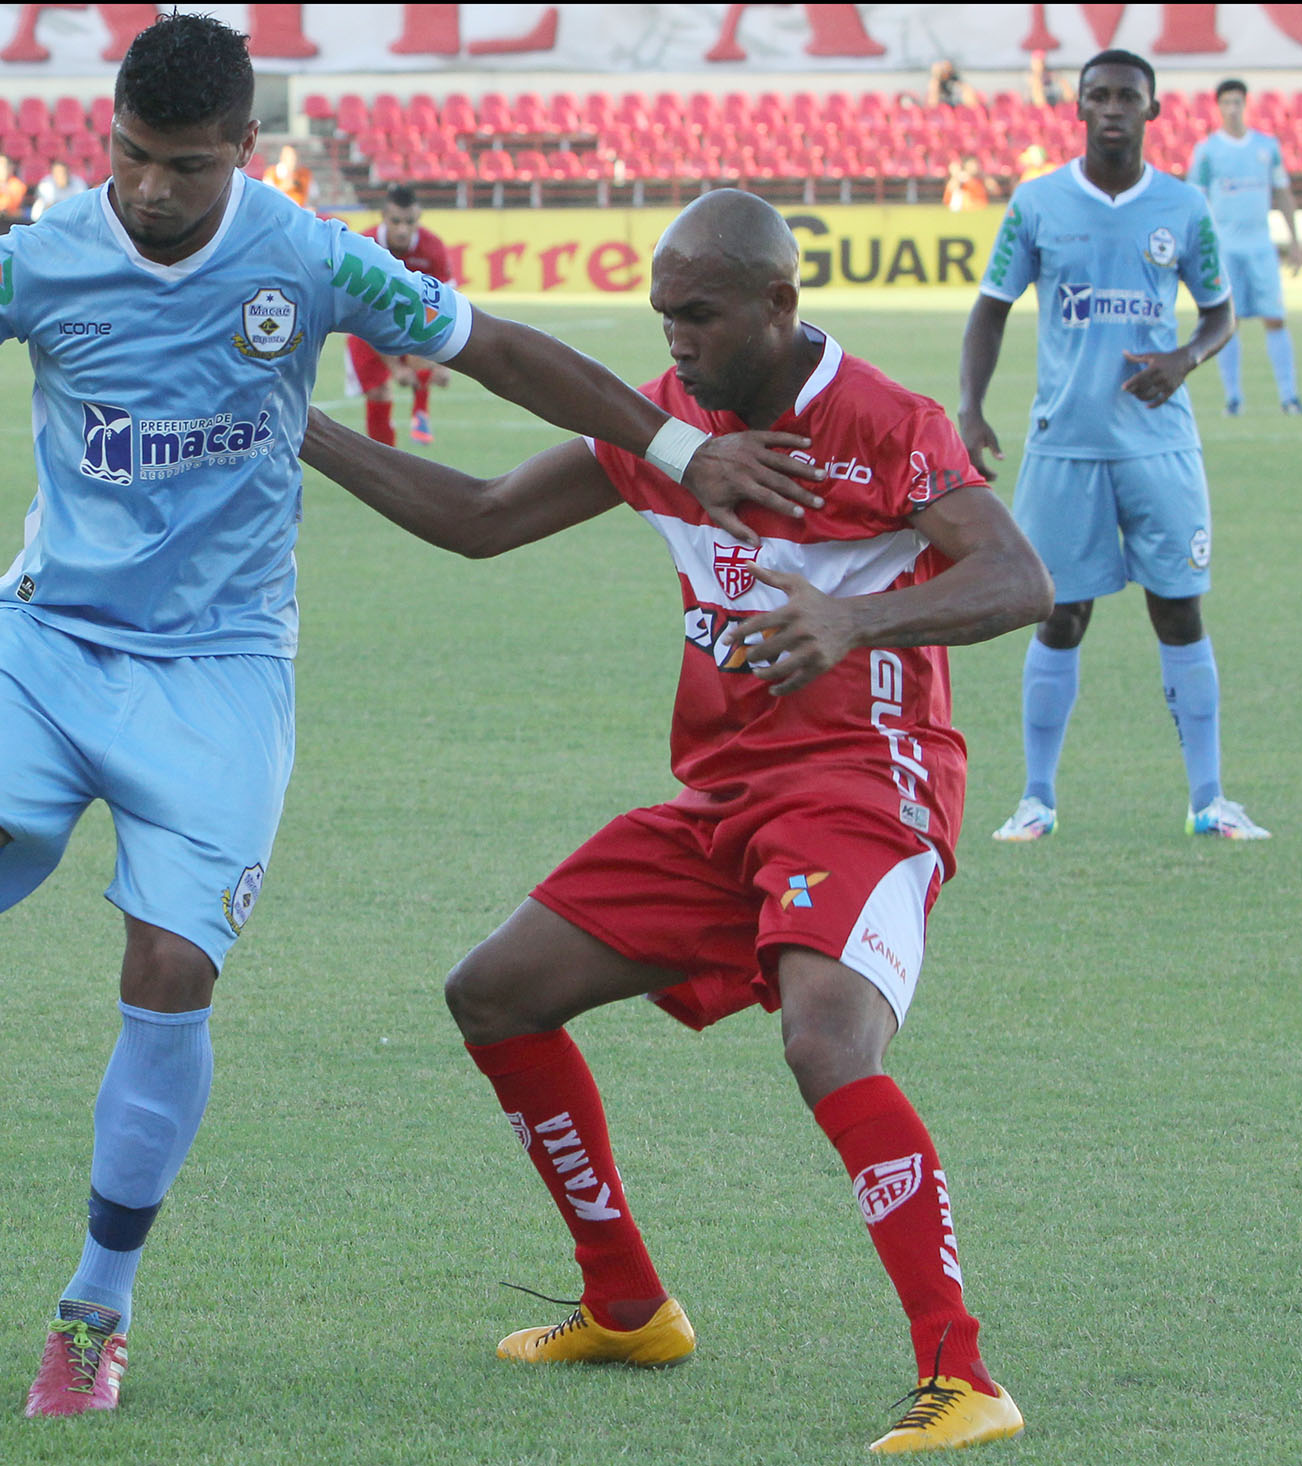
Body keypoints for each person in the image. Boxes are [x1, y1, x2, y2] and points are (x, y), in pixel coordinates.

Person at [0, 12, 821, 1423]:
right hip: (50, 632)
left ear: (244, 150)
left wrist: (676, 447)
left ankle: (96, 1310)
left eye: (182, 165)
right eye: (130, 158)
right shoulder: (42, 256)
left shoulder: (305, 257)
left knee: (171, 968)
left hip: (224, 666)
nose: (152, 191)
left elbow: (501, 355)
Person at [300, 188, 1051, 1455]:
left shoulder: (885, 425)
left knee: (826, 1040)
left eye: (699, 316)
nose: (679, 342)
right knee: (493, 990)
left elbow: (1017, 576)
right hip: (728, 800)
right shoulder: (666, 428)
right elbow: (480, 520)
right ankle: (627, 1302)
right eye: (664, 317)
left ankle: (962, 1374)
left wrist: (854, 617)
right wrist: (297, 428)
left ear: (778, 303)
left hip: (868, 782)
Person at [961, 49, 1267, 843]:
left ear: (1152, 111)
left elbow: (1220, 313)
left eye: (1127, 97)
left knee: (1179, 609)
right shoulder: (1035, 205)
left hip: (1158, 447)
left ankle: (1209, 801)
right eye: (1097, 96)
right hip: (1065, 445)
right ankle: (1036, 799)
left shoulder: (1184, 206)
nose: (1111, 109)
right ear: (1080, 109)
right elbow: (991, 308)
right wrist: (970, 407)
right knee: (1058, 616)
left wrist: (1184, 360)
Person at [1187, 79, 1302, 415]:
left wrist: (1294, 240)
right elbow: (1196, 199)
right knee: (1229, 322)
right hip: (1225, 249)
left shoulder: (1266, 146)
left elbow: (1282, 193)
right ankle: (1234, 398)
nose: (1233, 109)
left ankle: (1289, 396)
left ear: (1246, 105)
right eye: (1227, 103)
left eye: (1238, 102)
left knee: (1275, 318)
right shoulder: (1208, 150)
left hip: (1261, 247)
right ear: (1218, 106)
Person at [343, 184, 452, 446]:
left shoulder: (433, 248)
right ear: (383, 217)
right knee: (379, 393)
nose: (403, 229)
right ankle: (383, 461)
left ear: (419, 219)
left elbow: (444, 310)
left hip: (409, 321)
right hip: (364, 326)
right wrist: (394, 367)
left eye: (410, 222)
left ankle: (420, 412)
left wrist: (444, 361)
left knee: (421, 345)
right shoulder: (364, 245)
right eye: (396, 221)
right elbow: (361, 315)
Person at [264, 142, 314, 207]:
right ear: (282, 157)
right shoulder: (272, 173)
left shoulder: (305, 174)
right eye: (290, 157)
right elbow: (267, 197)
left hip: (300, 212)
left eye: (295, 156)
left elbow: (313, 197)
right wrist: (283, 188)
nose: (294, 160)